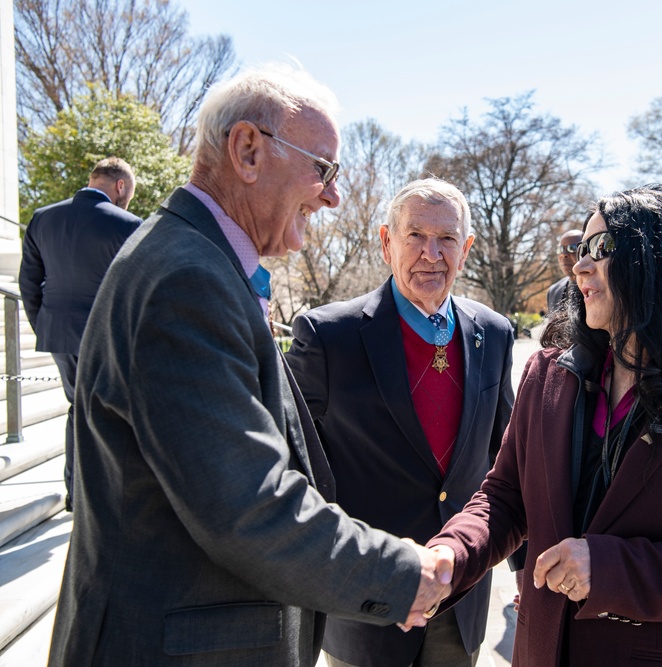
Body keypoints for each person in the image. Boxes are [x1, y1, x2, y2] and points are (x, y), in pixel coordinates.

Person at [48, 64, 452, 666]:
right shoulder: (186, 279)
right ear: (247, 151)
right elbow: (249, 505)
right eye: (325, 169)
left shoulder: (193, 262)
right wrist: (401, 575)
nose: (334, 195)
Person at [427, 183, 662, 666]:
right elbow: (504, 498)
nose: (580, 265)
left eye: (603, 249)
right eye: (581, 249)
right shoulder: (548, 373)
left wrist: (611, 570)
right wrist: (449, 556)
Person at [286, 178, 515, 667]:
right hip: (366, 605)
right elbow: (296, 468)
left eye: (447, 238)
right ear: (387, 241)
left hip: (461, 599)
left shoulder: (493, 334)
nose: (431, 253)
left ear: (466, 248)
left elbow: (505, 460)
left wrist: (525, 565)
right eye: (415, 236)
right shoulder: (328, 336)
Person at [18, 157, 142, 510]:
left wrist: (45, 324)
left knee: (80, 408)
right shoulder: (129, 225)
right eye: (129, 194)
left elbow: (29, 283)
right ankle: (103, 497)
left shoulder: (43, 217)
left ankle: (78, 494)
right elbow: (138, 288)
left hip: (59, 334)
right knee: (110, 414)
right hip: (107, 337)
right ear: (121, 186)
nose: (128, 201)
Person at [545, 228, 584, 315]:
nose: (564, 254)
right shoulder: (553, 292)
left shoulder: (597, 287)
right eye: (561, 249)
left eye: (572, 248)